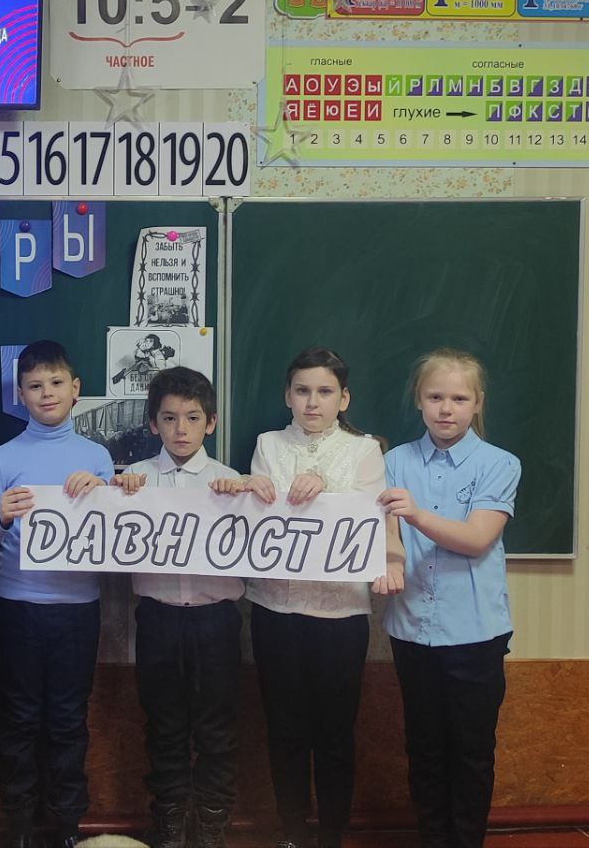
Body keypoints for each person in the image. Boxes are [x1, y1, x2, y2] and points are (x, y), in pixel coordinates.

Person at [212, 347, 403, 848]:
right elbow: (263, 514)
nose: (312, 402)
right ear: (288, 396)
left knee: (335, 731)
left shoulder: (365, 451)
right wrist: (251, 487)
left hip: (339, 614)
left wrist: (325, 485)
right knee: (285, 729)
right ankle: (292, 831)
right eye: (302, 391)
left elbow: (365, 517)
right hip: (276, 609)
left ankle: (333, 833)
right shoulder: (268, 444)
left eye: (324, 392)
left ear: (344, 398)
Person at [379, 349, 520, 848]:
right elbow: (386, 533)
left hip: (474, 632)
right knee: (424, 750)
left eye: (459, 398)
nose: (446, 408)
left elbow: (477, 538)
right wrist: (391, 557)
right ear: (418, 400)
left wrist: (415, 514)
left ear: (477, 402)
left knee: (471, 753)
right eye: (435, 396)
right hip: (411, 629)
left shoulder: (499, 463)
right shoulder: (393, 462)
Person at [0, 339, 114, 848]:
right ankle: (18, 824)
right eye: (35, 386)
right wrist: (1, 516)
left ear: (75, 388)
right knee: (18, 717)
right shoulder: (1, 459)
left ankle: (66, 825)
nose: (47, 393)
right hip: (17, 607)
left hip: (78, 610)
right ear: (20, 395)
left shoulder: (97, 457)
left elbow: (113, 534)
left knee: (67, 719)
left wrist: (103, 492)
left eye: (56, 383)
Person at [112, 367, 242, 848]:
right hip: (158, 617)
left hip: (216, 619)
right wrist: (109, 494)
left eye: (192, 418)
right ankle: (167, 823)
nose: (181, 429)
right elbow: (99, 528)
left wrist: (250, 496)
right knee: (164, 725)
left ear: (211, 423)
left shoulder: (232, 481)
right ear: (153, 424)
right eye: (169, 418)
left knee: (217, 729)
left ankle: (211, 826)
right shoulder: (134, 480)